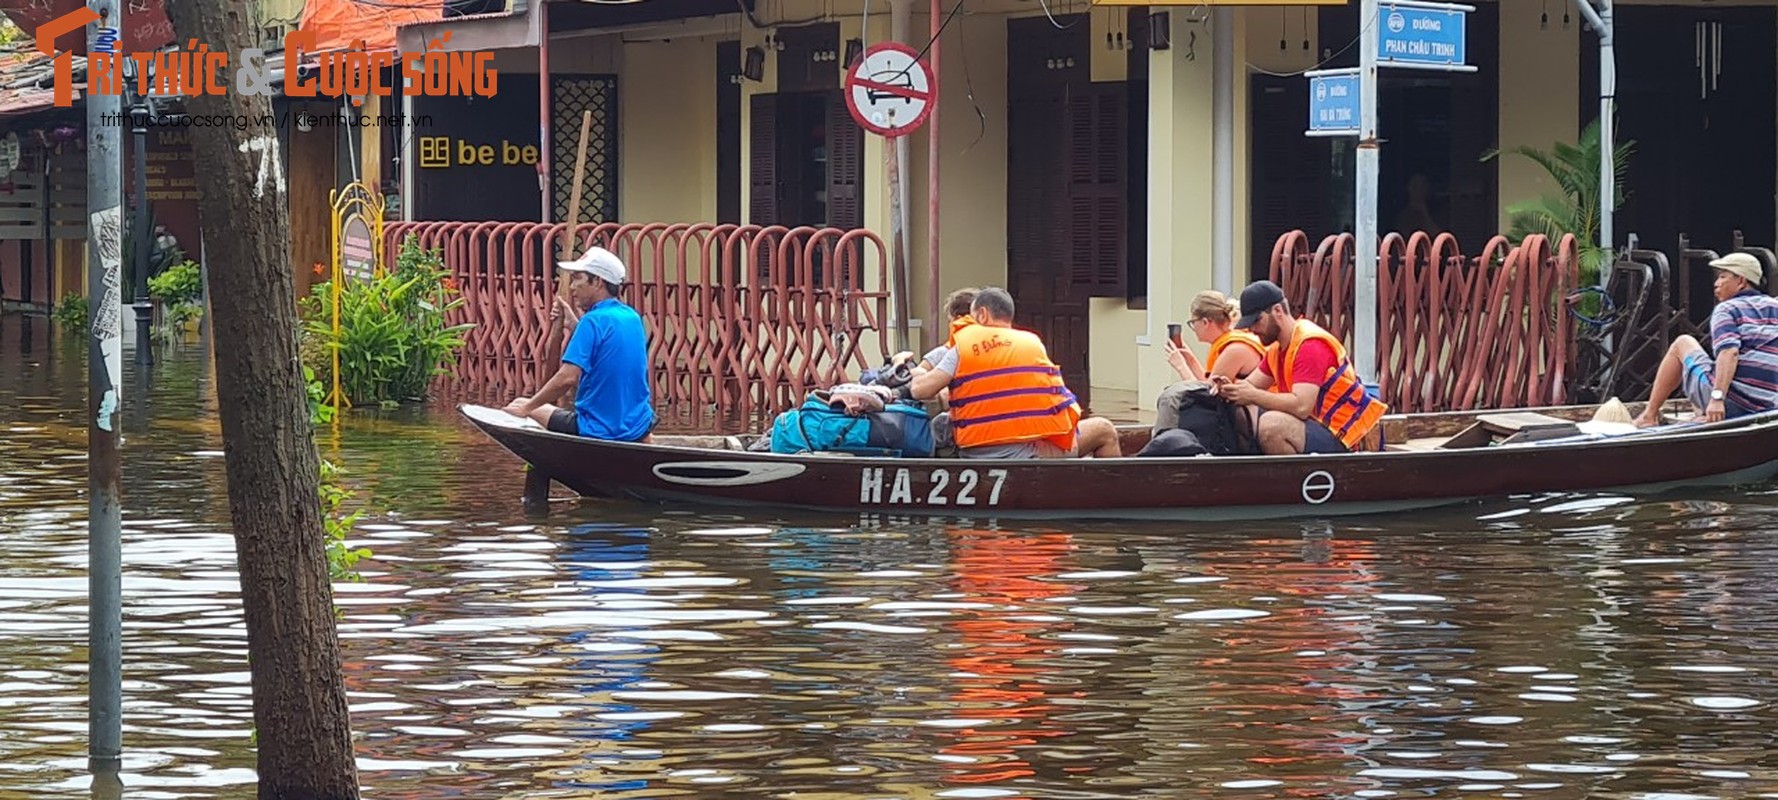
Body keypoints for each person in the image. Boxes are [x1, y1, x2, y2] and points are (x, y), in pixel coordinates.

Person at [908, 287, 1121, 458]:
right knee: (1104, 430)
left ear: (982, 315)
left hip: (976, 450)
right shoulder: (1032, 344)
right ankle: (1113, 496)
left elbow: (920, 391)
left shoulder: (961, 349)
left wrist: (915, 373)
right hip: (1025, 450)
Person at [1214, 280, 1387, 455]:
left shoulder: (1309, 345)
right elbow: (1250, 386)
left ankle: (1293, 481)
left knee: (1272, 426)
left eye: (1256, 321)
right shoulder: (1276, 350)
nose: (1252, 329)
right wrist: (1229, 389)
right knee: (1242, 412)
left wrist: (1252, 395)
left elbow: (1302, 407)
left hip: (1344, 435)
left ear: (1278, 311)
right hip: (1315, 427)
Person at [502, 247, 656, 442]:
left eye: (578, 279)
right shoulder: (631, 317)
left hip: (597, 429)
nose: (573, 287)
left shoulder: (592, 321)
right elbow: (605, 349)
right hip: (638, 426)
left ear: (598, 281)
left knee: (521, 402)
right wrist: (574, 325)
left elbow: (567, 378)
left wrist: (527, 407)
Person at [1634, 252, 1778, 427]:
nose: (1716, 284)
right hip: (1771, 406)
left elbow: (1729, 352)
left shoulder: (1727, 309)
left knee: (1683, 343)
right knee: (1706, 366)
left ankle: (1649, 416)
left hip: (1733, 404)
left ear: (1741, 281)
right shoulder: (1774, 305)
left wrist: (1717, 398)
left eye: (1722, 277)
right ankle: (1702, 413)